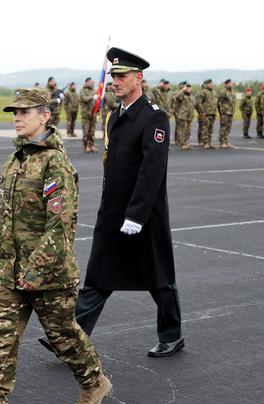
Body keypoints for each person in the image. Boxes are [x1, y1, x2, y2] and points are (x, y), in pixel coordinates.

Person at [0, 89, 111, 404]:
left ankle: (94, 382)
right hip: (11, 273)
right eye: (14, 112)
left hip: (48, 275)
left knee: (64, 336)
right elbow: (6, 221)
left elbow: (61, 224)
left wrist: (35, 270)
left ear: (45, 116)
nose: (17, 117)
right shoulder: (15, 160)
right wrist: (4, 266)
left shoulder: (55, 163)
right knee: (1, 340)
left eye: (25, 112)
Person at [38, 48, 184, 358]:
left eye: (122, 76)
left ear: (138, 78)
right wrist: (113, 211)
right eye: (114, 76)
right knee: (99, 277)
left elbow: (152, 170)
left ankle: (172, 335)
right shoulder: (116, 115)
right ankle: (68, 338)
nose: (115, 81)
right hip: (113, 212)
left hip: (143, 215)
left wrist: (137, 214)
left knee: (159, 278)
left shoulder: (153, 116)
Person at [195, 78, 218, 149]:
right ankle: (205, 143)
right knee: (205, 128)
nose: (212, 85)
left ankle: (209, 142)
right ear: (207, 84)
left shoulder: (214, 92)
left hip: (212, 113)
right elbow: (198, 103)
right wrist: (202, 112)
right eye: (210, 84)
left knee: (210, 129)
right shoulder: (203, 92)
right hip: (206, 113)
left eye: (212, 83)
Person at [173, 81, 195, 150]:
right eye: (187, 88)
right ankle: (182, 143)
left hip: (189, 116)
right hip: (183, 116)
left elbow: (195, 105)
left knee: (188, 131)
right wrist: (182, 90)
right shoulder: (182, 95)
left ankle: (186, 142)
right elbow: (177, 97)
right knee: (182, 130)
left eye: (190, 88)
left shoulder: (192, 96)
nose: (189, 89)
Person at [80, 77, 97, 152]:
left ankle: (91, 145)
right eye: (89, 82)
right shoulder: (83, 90)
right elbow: (84, 98)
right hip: (86, 114)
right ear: (86, 82)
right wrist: (92, 97)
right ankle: (86, 146)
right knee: (86, 131)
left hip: (93, 113)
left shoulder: (93, 90)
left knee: (92, 131)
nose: (91, 83)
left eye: (92, 82)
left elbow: (96, 101)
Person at [217, 79, 236, 148]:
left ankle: (226, 141)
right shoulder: (223, 92)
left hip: (230, 112)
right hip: (225, 113)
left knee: (228, 128)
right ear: (226, 84)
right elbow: (219, 103)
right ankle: (222, 142)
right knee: (223, 127)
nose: (232, 84)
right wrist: (221, 113)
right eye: (230, 83)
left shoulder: (232, 92)